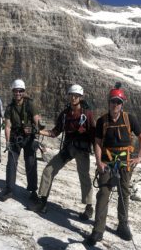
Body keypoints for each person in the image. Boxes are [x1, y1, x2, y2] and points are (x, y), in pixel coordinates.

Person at [84, 87, 141, 245]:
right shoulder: (102, 121)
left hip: (125, 162)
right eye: (113, 102)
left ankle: (123, 224)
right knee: (104, 193)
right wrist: (98, 162)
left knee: (123, 192)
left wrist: (139, 157)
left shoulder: (129, 119)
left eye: (118, 102)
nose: (115, 105)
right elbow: (97, 143)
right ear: (109, 103)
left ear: (122, 104)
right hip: (107, 161)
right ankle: (98, 229)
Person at [33, 84, 96, 215]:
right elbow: (55, 132)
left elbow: (94, 134)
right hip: (69, 148)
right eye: (72, 95)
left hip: (82, 150)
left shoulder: (87, 114)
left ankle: (89, 206)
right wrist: (39, 131)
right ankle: (42, 200)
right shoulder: (65, 114)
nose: (73, 97)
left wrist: (98, 155)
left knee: (84, 176)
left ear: (80, 97)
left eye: (76, 96)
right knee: (48, 170)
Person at [0, 79, 42, 202]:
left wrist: (35, 135)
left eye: (20, 91)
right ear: (13, 92)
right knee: (11, 163)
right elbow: (7, 126)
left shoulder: (30, 104)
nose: (18, 93)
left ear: (23, 91)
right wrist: (7, 142)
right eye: (16, 91)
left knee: (31, 163)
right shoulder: (9, 108)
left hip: (29, 138)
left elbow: (37, 122)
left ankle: (33, 191)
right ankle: (9, 189)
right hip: (15, 138)